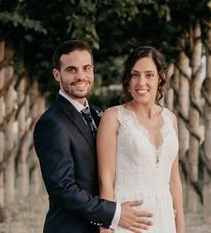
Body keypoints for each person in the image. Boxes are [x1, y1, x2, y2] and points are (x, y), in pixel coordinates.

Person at [34, 40, 154, 233]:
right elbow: (63, 189)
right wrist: (114, 213)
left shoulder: (100, 114)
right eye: (72, 70)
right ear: (57, 74)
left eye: (86, 68)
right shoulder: (51, 123)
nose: (81, 76)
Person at [97, 46, 185, 233]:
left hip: (164, 217)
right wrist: (106, 228)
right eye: (135, 75)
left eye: (149, 75)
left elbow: (174, 180)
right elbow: (106, 180)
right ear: (128, 79)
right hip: (129, 219)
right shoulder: (113, 117)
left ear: (160, 77)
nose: (141, 82)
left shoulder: (171, 119)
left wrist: (180, 229)